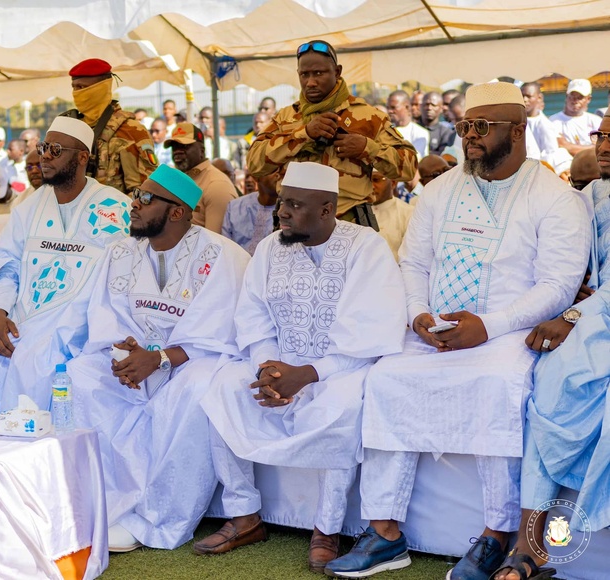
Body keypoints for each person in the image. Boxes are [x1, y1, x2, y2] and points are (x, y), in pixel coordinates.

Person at [325, 82, 591, 580]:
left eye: (482, 128)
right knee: (384, 379)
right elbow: (414, 263)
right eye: (467, 125)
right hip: (434, 328)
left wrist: (487, 326)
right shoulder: (440, 188)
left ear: (518, 130)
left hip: (509, 330)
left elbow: (558, 285)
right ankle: (384, 533)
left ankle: (495, 534)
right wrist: (417, 312)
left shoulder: (555, 198)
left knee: (499, 385)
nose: (470, 136)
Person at [196, 162, 407, 572]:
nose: (282, 213)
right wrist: (267, 369)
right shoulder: (271, 247)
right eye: (282, 203)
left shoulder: (366, 247)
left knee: (342, 406)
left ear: (327, 209)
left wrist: (307, 374)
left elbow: (370, 333)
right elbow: (252, 315)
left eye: (294, 205)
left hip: (340, 370)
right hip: (278, 367)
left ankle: (326, 529)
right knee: (221, 388)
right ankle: (244, 515)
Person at [62, 164, 249, 551]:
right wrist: (125, 355)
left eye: (145, 199)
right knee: (82, 374)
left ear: (177, 211)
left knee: (196, 389)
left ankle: (156, 517)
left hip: (191, 362)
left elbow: (220, 333)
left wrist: (159, 358)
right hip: (137, 362)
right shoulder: (120, 252)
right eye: (135, 194)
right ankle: (107, 505)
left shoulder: (222, 256)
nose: (133, 205)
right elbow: (106, 314)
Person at [0, 117, 131, 418]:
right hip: (19, 310)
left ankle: (24, 453)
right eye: (43, 147)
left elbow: (119, 281)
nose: (45, 156)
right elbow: (6, 263)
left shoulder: (115, 209)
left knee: (34, 359)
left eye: (55, 149)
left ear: (82, 158)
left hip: (77, 317)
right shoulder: (31, 206)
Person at [491, 113, 610, 580]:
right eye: (601, 135)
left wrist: (574, 314)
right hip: (593, 318)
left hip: (593, 318)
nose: (604, 144)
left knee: (566, 373)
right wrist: (571, 297)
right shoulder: (584, 198)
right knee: (546, 375)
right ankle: (527, 546)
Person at [248, 40, 416, 228]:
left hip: (348, 226)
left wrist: (367, 148)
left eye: (319, 73)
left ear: (337, 72)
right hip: (294, 227)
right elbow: (254, 164)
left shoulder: (368, 117)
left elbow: (409, 167)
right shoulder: (286, 118)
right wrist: (303, 135)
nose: (310, 82)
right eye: (304, 75)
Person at [61, 58, 157, 194]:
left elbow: (143, 190)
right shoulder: (71, 128)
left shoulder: (131, 130)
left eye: (82, 87)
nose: (76, 93)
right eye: (74, 87)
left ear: (101, 88)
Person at [166, 122, 237, 233]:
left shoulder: (216, 184)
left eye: (184, 146)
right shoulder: (178, 181)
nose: (177, 151)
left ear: (202, 151)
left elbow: (216, 242)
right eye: (174, 147)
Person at [222, 171, 278, 255]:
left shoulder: (287, 211)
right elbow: (225, 247)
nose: (278, 175)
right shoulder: (235, 207)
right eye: (273, 170)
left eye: (281, 171)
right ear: (256, 176)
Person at [521, 82, 571, 172]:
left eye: (529, 96)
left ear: (539, 98)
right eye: (522, 96)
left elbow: (550, 154)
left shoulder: (547, 125)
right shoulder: (517, 122)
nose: (524, 99)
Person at [551, 79, 603, 156]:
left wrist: (571, 147)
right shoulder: (553, 121)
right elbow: (563, 146)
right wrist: (593, 148)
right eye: (572, 96)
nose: (575, 101)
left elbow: (602, 147)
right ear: (566, 96)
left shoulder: (596, 121)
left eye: (580, 97)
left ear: (588, 99)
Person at [371, 170, 414, 260]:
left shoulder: (408, 213)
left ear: (393, 183)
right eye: (367, 181)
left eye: (376, 180)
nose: (371, 186)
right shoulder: (354, 211)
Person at [388, 90, 429, 159]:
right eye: (388, 108)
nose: (389, 111)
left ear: (407, 107)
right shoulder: (385, 130)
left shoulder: (420, 132)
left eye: (393, 107)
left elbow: (414, 159)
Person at [420, 91, 457, 156]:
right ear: (420, 106)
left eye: (433, 105)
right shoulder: (412, 128)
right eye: (426, 104)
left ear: (441, 108)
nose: (429, 108)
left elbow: (443, 155)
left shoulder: (446, 132)